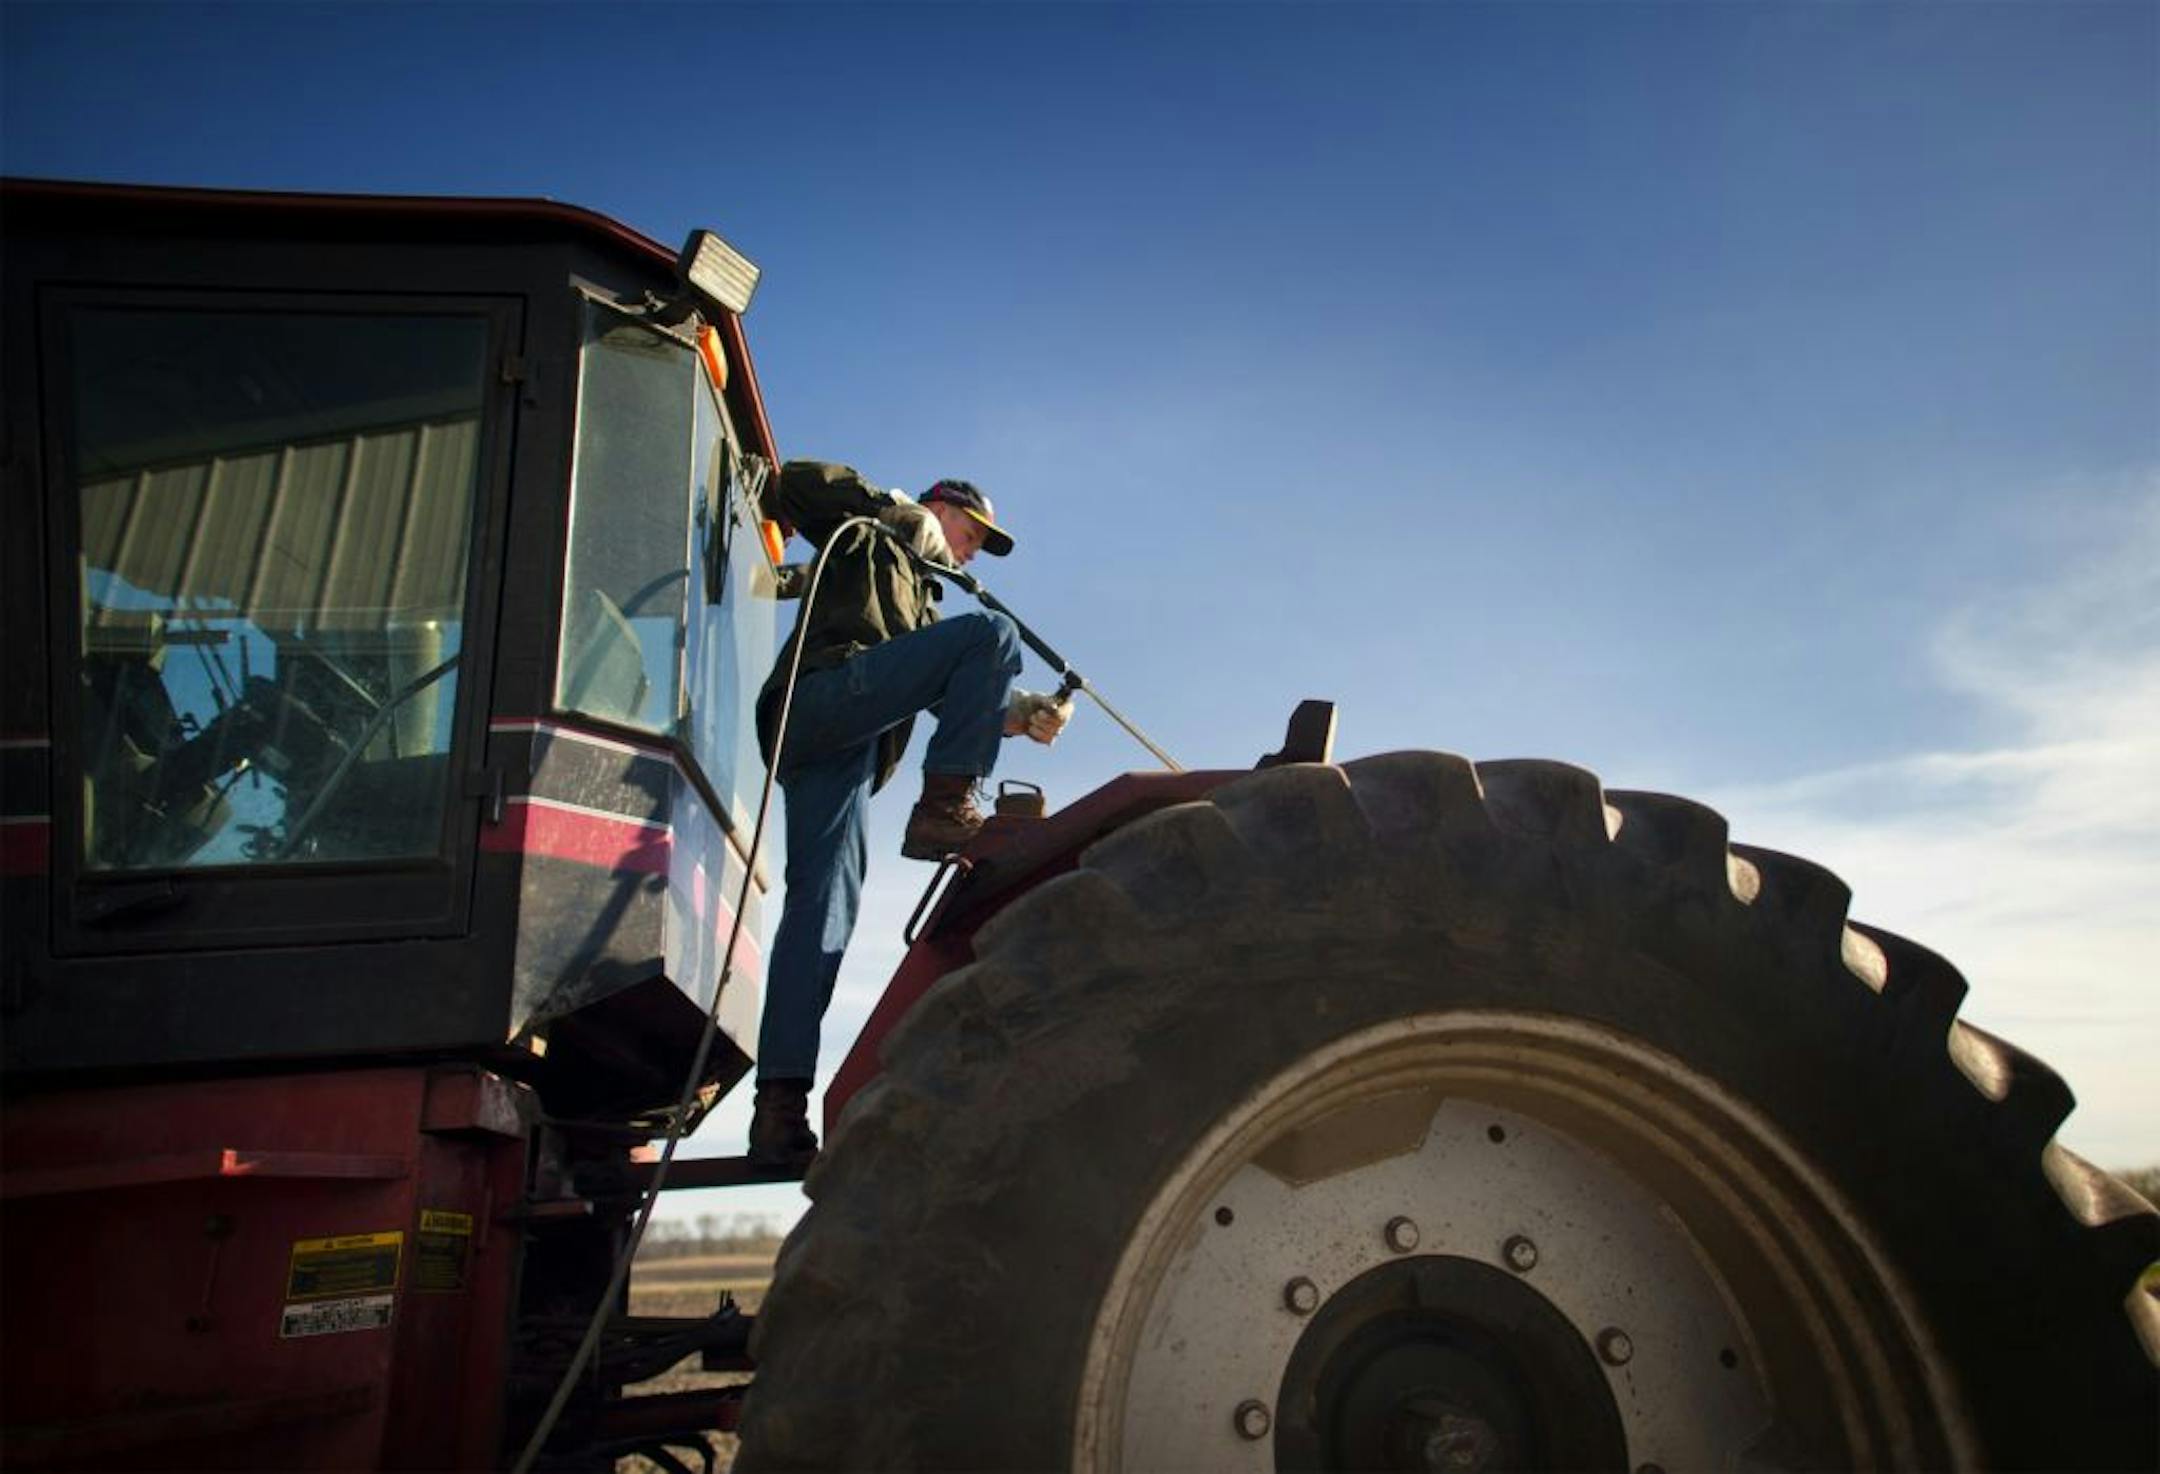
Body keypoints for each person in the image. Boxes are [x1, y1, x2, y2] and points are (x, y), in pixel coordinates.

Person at [746, 461, 1073, 1163]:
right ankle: (945, 809)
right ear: (938, 506)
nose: (973, 550)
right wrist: (891, 509)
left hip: (845, 750)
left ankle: (779, 1106)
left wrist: (1021, 717)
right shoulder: (867, 532)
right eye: (971, 531)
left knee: (824, 912)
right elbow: (789, 483)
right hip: (819, 698)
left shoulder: (921, 606)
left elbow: (935, 688)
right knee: (992, 635)